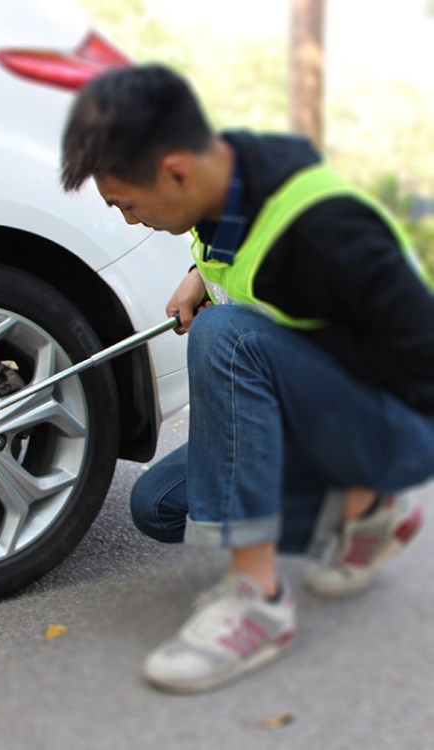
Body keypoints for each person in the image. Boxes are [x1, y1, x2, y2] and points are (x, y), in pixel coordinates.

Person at [60, 63, 434, 694]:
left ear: (176, 171)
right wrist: (200, 275)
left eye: (127, 203)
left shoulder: (328, 231)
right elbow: (238, 257)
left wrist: (353, 467)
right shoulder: (224, 193)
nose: (128, 220)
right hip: (320, 413)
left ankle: (258, 597)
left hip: (394, 424)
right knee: (163, 507)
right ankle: (369, 523)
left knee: (226, 338)